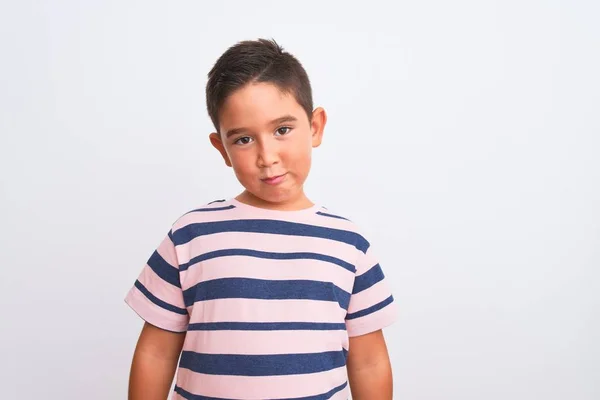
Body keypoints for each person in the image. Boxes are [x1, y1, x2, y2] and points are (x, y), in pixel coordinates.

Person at [125, 38, 398, 400]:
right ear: (221, 148)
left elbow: (369, 361)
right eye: (243, 140)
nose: (267, 156)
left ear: (315, 126)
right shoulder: (190, 236)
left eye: (282, 130)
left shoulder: (349, 245)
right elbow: (156, 352)